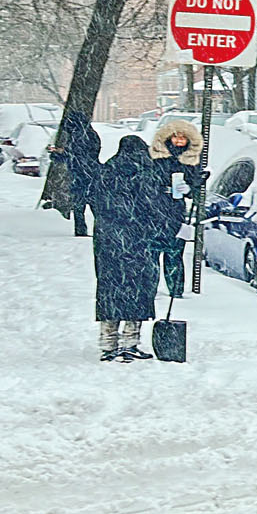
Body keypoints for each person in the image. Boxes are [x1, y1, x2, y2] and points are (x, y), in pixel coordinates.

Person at [91, 136, 163, 362]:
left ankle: (108, 342)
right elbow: (152, 205)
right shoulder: (145, 173)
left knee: (110, 289)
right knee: (138, 289)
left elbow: (95, 202)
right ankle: (129, 341)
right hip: (137, 240)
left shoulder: (105, 172)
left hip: (108, 241)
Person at [148, 118, 204, 298]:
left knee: (174, 251)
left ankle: (175, 289)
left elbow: (195, 187)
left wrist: (190, 188)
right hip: (154, 209)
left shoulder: (191, 161)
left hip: (175, 210)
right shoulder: (156, 159)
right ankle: (150, 287)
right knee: (152, 252)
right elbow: (147, 181)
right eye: (176, 137)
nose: (179, 141)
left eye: (183, 138)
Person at [49, 111, 102, 238]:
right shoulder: (90, 134)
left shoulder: (79, 136)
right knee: (93, 206)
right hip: (91, 174)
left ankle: (81, 230)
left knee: (80, 206)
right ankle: (99, 230)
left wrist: (59, 154)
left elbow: (75, 156)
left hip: (81, 175)